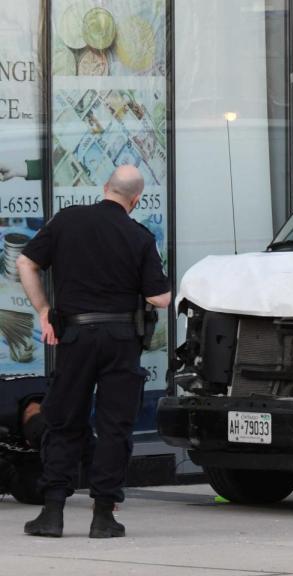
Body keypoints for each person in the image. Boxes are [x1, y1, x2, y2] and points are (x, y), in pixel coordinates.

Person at [16, 165, 170, 538]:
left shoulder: (67, 220)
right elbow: (159, 298)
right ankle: (103, 515)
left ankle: (52, 513)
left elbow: (25, 262)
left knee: (64, 419)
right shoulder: (139, 236)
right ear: (135, 200)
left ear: (104, 189)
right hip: (120, 340)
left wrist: (43, 311)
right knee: (114, 426)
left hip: (75, 336)